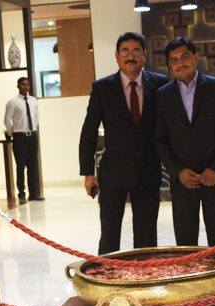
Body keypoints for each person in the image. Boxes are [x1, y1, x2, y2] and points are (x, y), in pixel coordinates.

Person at [79, 32, 169, 255]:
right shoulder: (102, 88)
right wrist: (88, 172)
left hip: (148, 170)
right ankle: (106, 273)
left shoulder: (160, 84)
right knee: (109, 235)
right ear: (117, 56)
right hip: (113, 171)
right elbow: (89, 131)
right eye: (125, 51)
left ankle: (145, 272)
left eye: (136, 51)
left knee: (147, 236)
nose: (131, 56)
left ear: (144, 55)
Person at [155, 37, 215, 247]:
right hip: (184, 182)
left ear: (195, 57)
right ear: (169, 65)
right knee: (185, 245)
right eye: (174, 60)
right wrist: (178, 172)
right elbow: (160, 140)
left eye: (185, 57)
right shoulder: (162, 96)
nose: (180, 63)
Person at [4, 77, 40, 204]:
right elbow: (7, 120)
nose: (26, 87)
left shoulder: (33, 100)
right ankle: (21, 194)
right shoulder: (12, 102)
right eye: (23, 84)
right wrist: (10, 133)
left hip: (32, 136)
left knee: (32, 166)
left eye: (27, 85)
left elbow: (36, 117)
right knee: (20, 167)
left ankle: (33, 194)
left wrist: (34, 129)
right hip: (19, 137)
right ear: (18, 86)